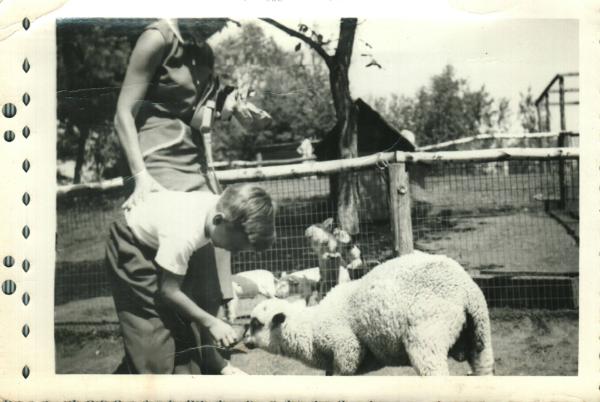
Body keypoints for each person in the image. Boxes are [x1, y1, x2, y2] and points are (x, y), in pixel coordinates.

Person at [111, 18, 271, 374]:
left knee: (211, 250)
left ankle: (212, 359)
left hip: (188, 154)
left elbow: (196, 115)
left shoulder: (203, 51)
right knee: (182, 252)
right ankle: (172, 363)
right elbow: (123, 113)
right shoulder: (157, 38)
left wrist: (235, 112)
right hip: (151, 156)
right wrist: (139, 178)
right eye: (215, 18)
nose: (217, 28)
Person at [107, 184, 275, 374]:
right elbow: (168, 291)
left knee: (186, 319)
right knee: (151, 332)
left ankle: (187, 377)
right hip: (131, 241)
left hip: (160, 236)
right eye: (235, 246)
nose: (234, 253)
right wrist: (212, 322)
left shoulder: (217, 210)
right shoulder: (184, 233)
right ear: (219, 220)